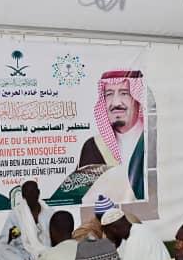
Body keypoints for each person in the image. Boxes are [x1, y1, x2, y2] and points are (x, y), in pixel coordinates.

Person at [48, 71, 146, 205]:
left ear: (138, 98)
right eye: (109, 94)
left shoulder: (150, 141)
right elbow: (82, 199)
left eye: (124, 93)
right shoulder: (94, 146)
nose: (116, 102)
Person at [0, 181, 52, 260]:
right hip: (24, 255)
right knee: (0, 249)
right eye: (27, 193)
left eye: (33, 192)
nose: (31, 196)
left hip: (46, 252)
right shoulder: (16, 213)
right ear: (23, 196)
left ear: (38, 192)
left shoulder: (49, 212)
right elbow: (4, 241)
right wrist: (10, 237)